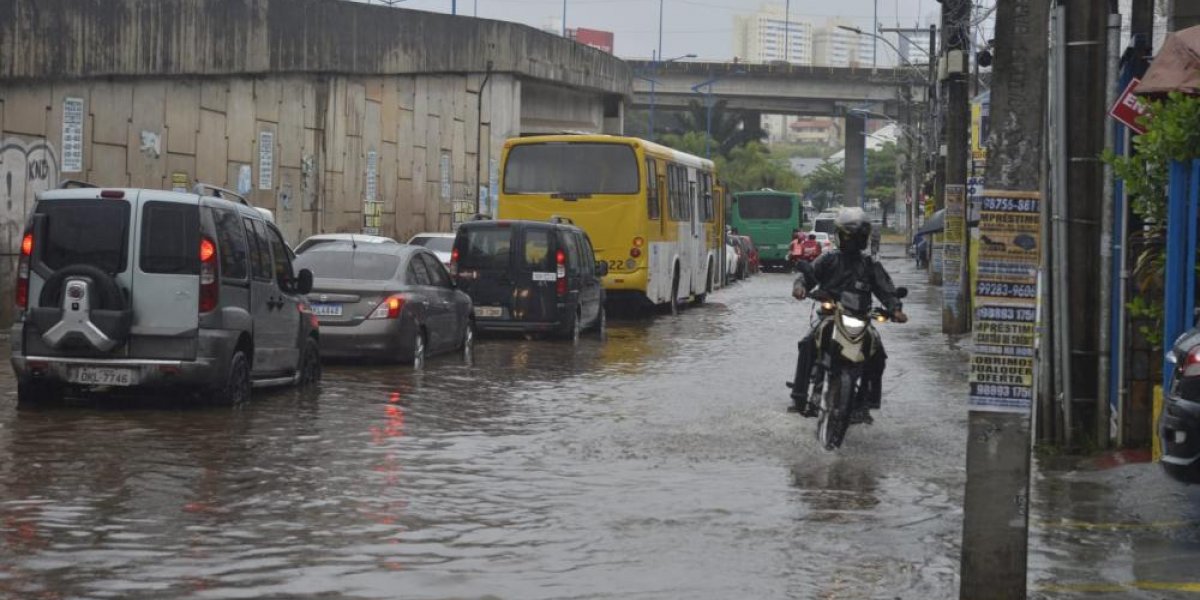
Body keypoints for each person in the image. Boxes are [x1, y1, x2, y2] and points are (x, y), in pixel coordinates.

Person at [789, 208, 907, 423]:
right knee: (807, 343)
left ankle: (867, 402)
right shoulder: (828, 260)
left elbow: (886, 290)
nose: (852, 241)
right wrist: (800, 287)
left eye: (857, 237)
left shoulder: (870, 265)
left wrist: (895, 309)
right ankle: (798, 397)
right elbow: (807, 277)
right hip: (830, 317)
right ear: (840, 236)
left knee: (878, 354)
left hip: (861, 319)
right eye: (848, 236)